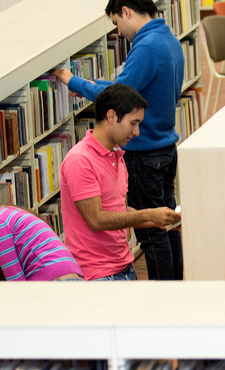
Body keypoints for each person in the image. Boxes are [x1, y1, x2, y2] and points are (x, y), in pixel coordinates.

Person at [52, 0, 185, 280]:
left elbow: (116, 93)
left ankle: (165, 297)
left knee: (152, 235)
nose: (120, 32)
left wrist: (74, 82)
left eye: (116, 23)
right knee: (168, 225)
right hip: (166, 146)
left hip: (145, 153)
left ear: (126, 11)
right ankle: (177, 288)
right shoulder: (170, 41)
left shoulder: (146, 46)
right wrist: (96, 83)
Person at [60, 83, 180, 281]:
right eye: (133, 123)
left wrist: (162, 221)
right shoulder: (80, 160)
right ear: (111, 116)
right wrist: (150, 214)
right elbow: (96, 220)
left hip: (124, 267)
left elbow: (122, 213)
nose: (137, 132)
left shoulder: (117, 156)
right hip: (97, 276)